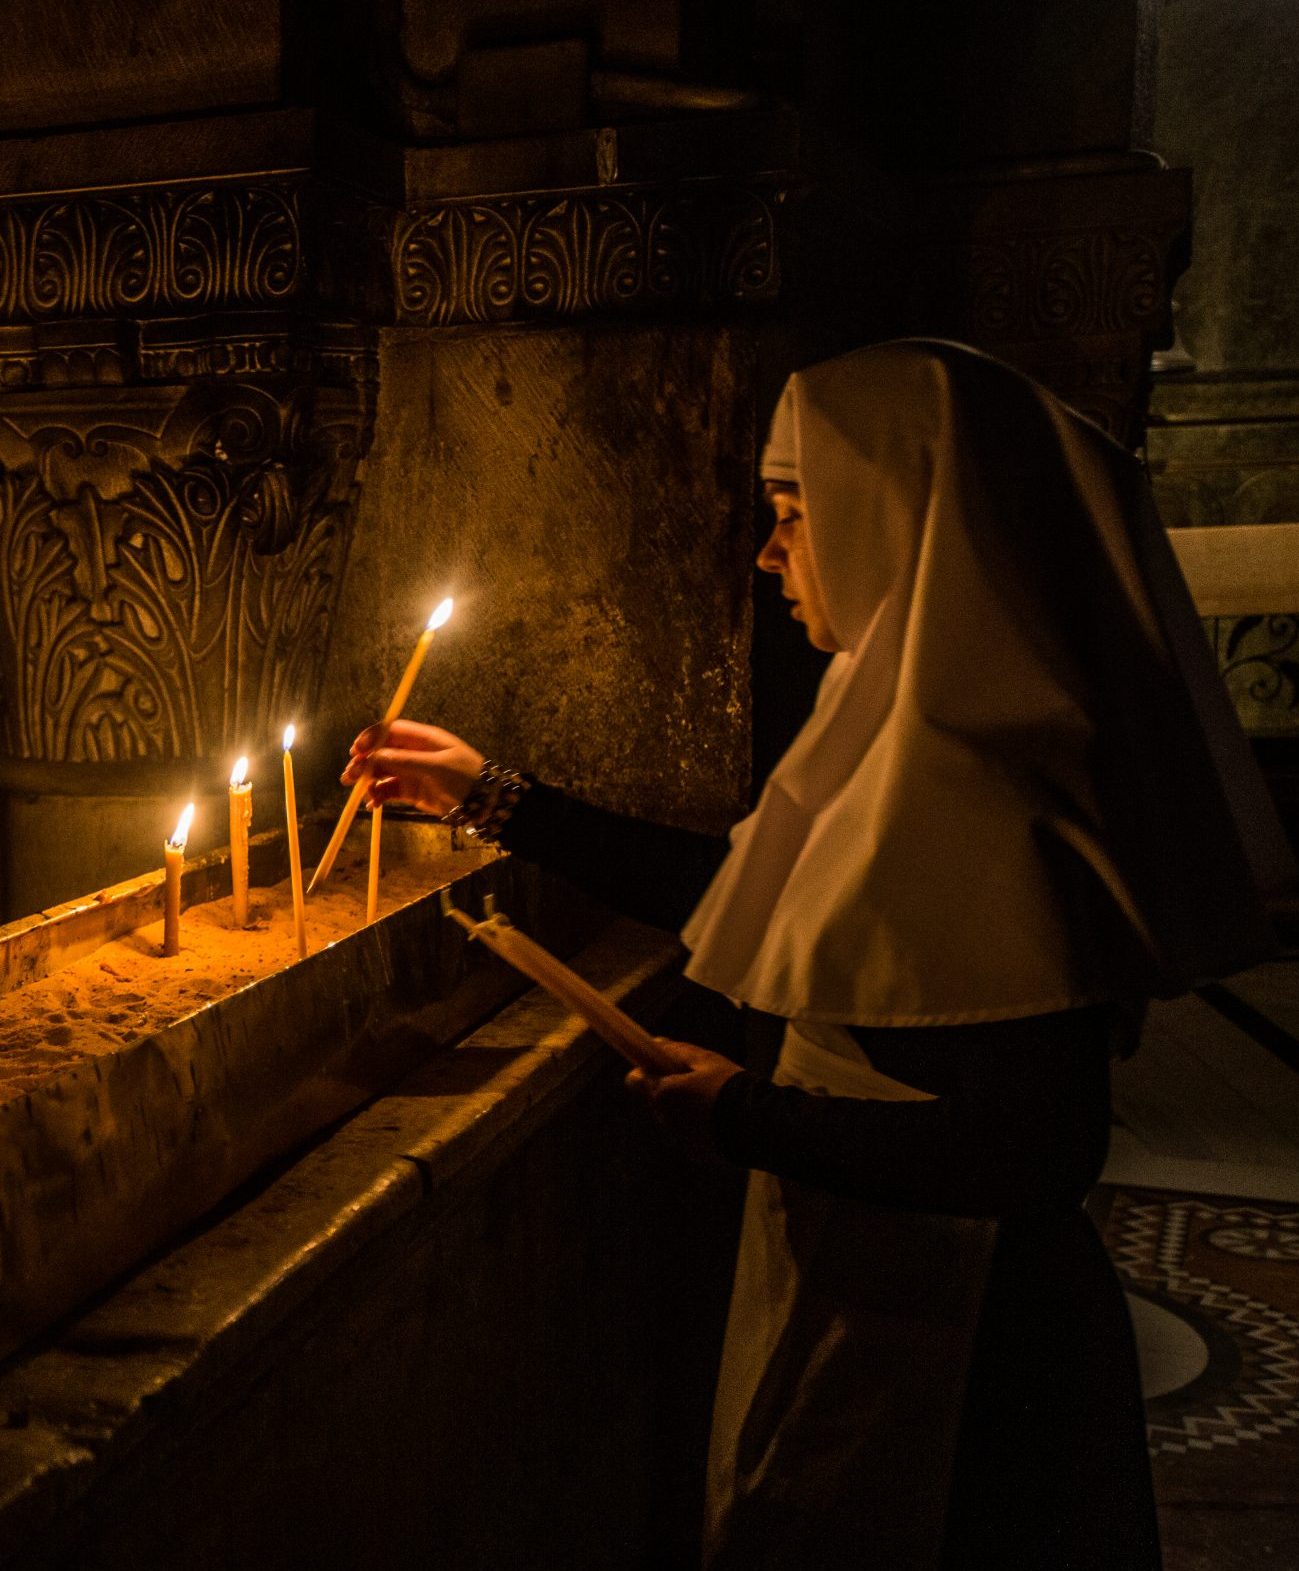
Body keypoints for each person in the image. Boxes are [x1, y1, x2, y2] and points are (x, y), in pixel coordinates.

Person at [343, 340, 1292, 1569]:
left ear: (898, 518)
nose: (764, 551)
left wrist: (744, 1116)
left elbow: (1033, 1146)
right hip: (874, 1294)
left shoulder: (993, 785)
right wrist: (494, 798)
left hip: (968, 1359)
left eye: (791, 514)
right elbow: (755, 901)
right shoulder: (886, 726)